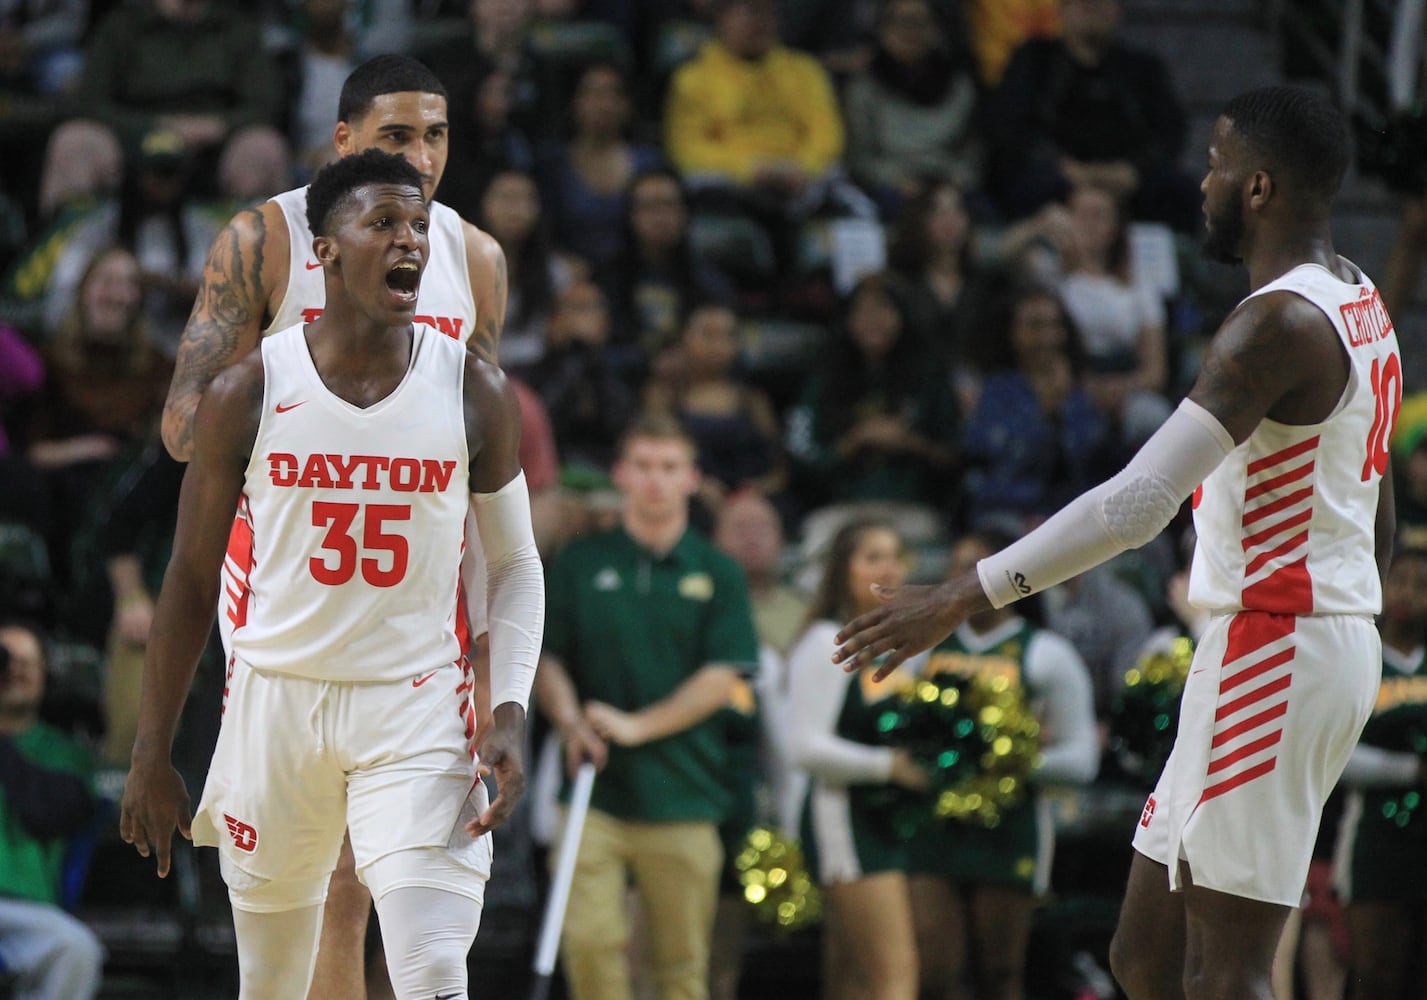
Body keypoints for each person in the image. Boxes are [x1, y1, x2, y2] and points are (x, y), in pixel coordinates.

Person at [834, 85, 1400, 1000]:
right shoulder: (1358, 297)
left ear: (1257, 188)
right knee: (1142, 956)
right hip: (1287, 640)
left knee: (1229, 974)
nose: (1202, 184)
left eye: (1216, 166)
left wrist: (958, 595)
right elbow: (1377, 504)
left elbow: (1137, 504)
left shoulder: (1277, 324)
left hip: (1278, 641)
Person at [119, 150, 543, 1000]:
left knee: (431, 971)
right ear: (323, 253)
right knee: (272, 985)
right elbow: (192, 577)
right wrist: (151, 749)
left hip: (415, 702)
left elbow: (515, 564)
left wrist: (509, 709)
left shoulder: (473, 390)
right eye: (382, 223)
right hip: (275, 702)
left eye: (419, 225)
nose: (409, 241)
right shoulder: (247, 390)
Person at [533, 414, 760, 1000]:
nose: (655, 480)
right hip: (595, 791)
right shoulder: (581, 562)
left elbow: (722, 677)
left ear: (692, 479)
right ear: (621, 475)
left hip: (685, 795)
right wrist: (569, 720)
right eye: (643, 466)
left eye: (669, 468)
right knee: (587, 943)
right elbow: (546, 657)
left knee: (681, 967)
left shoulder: (718, 572)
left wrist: (637, 727)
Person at [908, 530, 1098, 1000]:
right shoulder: (925, 650)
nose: (964, 578)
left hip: (1010, 830)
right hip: (933, 827)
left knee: (1000, 973)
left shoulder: (1047, 654)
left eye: (978, 566)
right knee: (933, 975)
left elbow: (1082, 760)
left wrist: (1005, 760)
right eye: (957, 567)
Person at [787, 518, 929, 1000]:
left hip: (886, 821)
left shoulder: (900, 645)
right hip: (843, 818)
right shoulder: (827, 641)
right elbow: (804, 745)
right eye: (872, 558)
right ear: (841, 571)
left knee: (853, 977)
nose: (887, 568)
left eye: (895, 556)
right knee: (895, 975)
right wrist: (890, 768)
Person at [1334, 547, 1427, 999]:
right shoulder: (1359, 656)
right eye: (1401, 580)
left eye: (1422, 586)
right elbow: (1335, 756)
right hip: (1372, 832)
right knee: (1371, 971)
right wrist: (1411, 770)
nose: (1409, 593)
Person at [0, 619, 105, 1000]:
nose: (14, 669)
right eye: (4, 659)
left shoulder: (64, 754)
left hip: (23, 912)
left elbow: (46, 813)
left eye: (27, 662)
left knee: (74, 949)